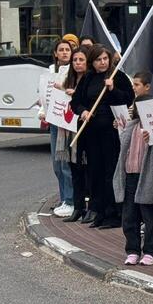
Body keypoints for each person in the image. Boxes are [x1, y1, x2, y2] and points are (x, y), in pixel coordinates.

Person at [71, 45, 134, 229]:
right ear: (93, 61)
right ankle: (99, 211)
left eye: (105, 59)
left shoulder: (117, 76)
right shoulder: (88, 78)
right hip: (91, 131)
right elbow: (76, 101)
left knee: (110, 172)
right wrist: (83, 112)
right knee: (95, 171)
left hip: (111, 132)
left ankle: (114, 213)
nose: (103, 62)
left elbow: (128, 98)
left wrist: (113, 89)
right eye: (99, 59)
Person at [114, 72, 153, 267]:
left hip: (149, 178)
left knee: (151, 217)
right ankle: (132, 250)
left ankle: (150, 251)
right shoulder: (131, 127)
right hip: (131, 175)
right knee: (129, 216)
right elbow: (123, 150)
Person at [44, 38, 74, 217]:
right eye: (61, 50)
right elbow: (44, 94)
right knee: (57, 164)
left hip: (66, 120)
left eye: (67, 50)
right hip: (53, 119)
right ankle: (64, 198)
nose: (64, 52)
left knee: (65, 163)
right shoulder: (49, 72)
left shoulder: (73, 71)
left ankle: (70, 200)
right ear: (55, 53)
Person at [60, 47, 90, 223]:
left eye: (81, 60)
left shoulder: (89, 80)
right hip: (69, 129)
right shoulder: (68, 79)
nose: (77, 63)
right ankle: (78, 207)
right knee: (73, 168)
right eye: (75, 60)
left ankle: (89, 207)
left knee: (87, 169)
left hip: (85, 130)